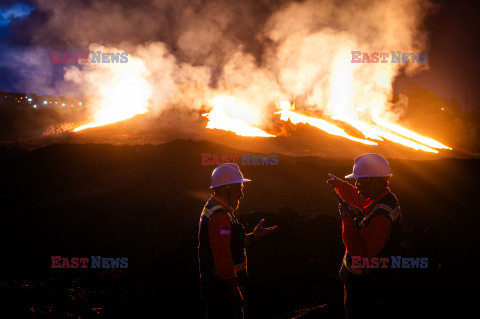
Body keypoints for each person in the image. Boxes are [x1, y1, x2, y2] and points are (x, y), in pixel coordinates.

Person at [327, 154, 402, 319]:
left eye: (358, 181)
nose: (356, 184)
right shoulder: (382, 198)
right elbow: (360, 199)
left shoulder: (381, 216)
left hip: (365, 284)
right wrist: (339, 185)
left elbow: (360, 253)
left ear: (371, 181)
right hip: (366, 280)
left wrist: (347, 220)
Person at [198, 163, 277, 319]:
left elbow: (227, 244)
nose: (241, 195)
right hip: (222, 291)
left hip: (219, 287)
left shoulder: (218, 209)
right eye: (238, 189)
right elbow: (222, 257)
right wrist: (235, 291)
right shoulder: (220, 216)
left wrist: (252, 237)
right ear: (223, 189)